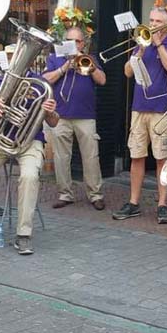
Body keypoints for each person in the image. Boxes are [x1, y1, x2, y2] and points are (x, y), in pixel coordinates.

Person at [0, 57, 60, 256]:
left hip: (29, 141)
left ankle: (24, 235)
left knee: (30, 176)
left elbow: (54, 122)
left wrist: (50, 112)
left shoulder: (41, 85)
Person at [113, 7, 167, 223]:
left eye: (158, 21)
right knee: (136, 155)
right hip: (139, 108)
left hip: (162, 109)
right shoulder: (141, 42)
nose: (153, 24)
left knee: (161, 157)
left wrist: (159, 44)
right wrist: (141, 50)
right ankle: (133, 202)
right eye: (151, 19)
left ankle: (162, 204)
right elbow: (127, 72)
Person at [43, 25, 107, 211]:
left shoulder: (90, 59)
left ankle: (95, 195)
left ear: (83, 43)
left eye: (78, 41)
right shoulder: (55, 58)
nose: (75, 44)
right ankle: (65, 194)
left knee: (91, 157)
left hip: (85, 116)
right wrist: (64, 68)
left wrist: (90, 65)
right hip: (60, 115)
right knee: (62, 157)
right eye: (71, 41)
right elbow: (45, 80)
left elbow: (102, 80)